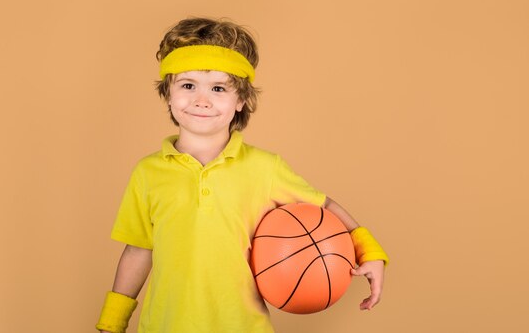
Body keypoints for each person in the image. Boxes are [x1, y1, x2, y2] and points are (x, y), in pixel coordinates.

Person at [96, 18, 389, 333]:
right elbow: (139, 249)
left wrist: (369, 252)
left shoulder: (265, 168)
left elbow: (325, 207)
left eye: (218, 88)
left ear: (241, 100)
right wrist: (112, 322)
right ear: (168, 93)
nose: (201, 99)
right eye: (187, 85)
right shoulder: (147, 172)